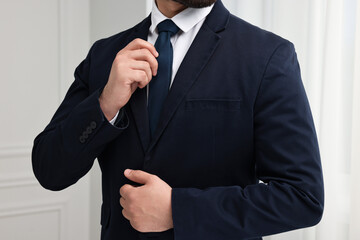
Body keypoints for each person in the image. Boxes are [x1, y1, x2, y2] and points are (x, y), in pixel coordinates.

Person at [32, 0, 324, 239]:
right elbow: (49, 170)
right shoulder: (105, 55)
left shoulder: (267, 55)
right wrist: (105, 103)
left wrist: (178, 209)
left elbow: (302, 197)